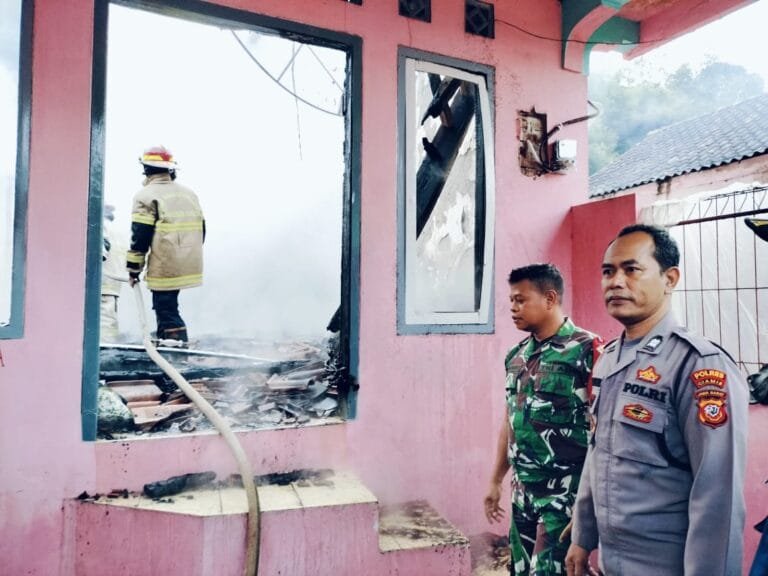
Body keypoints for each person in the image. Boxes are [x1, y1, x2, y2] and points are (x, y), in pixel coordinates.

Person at [565, 224, 748, 576]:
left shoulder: (697, 364)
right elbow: (598, 449)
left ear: (670, 278)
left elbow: (718, 497)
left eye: (631, 269)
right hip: (611, 562)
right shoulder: (610, 357)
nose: (615, 281)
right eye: (608, 271)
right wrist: (583, 535)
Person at [484, 263, 601, 576]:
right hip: (523, 492)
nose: (512, 307)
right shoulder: (516, 356)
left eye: (520, 300)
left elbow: (605, 434)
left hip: (565, 495)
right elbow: (510, 420)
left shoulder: (588, 350)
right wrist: (496, 479)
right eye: (510, 300)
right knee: (521, 569)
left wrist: (588, 507)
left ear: (550, 299)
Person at [126, 145, 205, 344]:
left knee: (165, 307)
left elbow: (140, 236)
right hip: (188, 260)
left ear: (146, 169)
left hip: (166, 262)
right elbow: (201, 229)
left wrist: (134, 268)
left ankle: (175, 346)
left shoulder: (145, 195)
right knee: (168, 303)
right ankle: (165, 338)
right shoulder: (189, 193)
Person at [100, 203, 126, 342]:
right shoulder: (117, 230)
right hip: (114, 282)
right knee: (109, 317)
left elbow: (101, 252)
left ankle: (105, 350)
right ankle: (111, 347)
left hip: (101, 280)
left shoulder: (99, 225)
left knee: (104, 319)